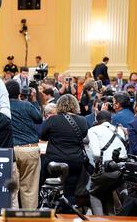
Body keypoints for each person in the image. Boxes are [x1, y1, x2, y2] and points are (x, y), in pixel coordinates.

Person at [41, 94, 89, 205]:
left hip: (54, 161)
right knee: (70, 192)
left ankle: (54, 214)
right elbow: (83, 135)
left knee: (51, 189)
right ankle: (68, 216)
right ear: (75, 105)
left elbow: (43, 136)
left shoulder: (53, 120)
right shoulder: (82, 120)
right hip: (75, 161)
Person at [6, 80, 42, 209]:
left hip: (11, 151)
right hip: (29, 150)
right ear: (20, 93)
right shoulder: (26, 105)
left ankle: (11, 221)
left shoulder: (3, 107)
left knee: (12, 190)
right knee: (30, 190)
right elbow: (39, 119)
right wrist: (34, 99)